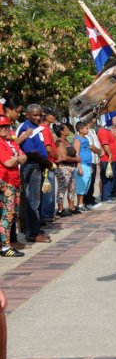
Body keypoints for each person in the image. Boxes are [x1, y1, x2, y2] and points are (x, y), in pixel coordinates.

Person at [15, 105, 52, 243]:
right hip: (31, 166)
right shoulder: (26, 129)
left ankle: (34, 228)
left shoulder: (38, 128)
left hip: (39, 166)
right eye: (35, 115)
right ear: (27, 115)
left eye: (39, 115)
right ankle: (32, 233)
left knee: (37, 199)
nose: (38, 117)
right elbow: (31, 152)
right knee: (32, 201)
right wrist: (47, 162)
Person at [0, 116, 26, 257]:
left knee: (11, 214)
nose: (3, 129)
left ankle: (4, 244)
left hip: (14, 181)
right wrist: (17, 158)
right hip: (5, 181)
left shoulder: (10, 142)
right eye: (0, 127)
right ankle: (5, 247)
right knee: (7, 215)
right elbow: (8, 163)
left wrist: (14, 158)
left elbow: (24, 157)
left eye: (5, 126)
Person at [53, 123, 78, 217]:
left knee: (72, 187)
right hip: (63, 168)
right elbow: (63, 157)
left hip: (71, 167)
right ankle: (60, 209)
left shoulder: (66, 141)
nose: (68, 130)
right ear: (62, 132)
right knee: (62, 188)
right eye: (66, 129)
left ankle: (72, 207)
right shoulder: (60, 142)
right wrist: (76, 160)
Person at [39, 107, 59, 223]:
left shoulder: (44, 128)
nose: (54, 117)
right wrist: (56, 157)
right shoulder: (44, 129)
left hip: (48, 162)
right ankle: (46, 214)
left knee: (48, 189)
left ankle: (47, 213)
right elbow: (48, 147)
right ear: (47, 116)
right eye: (53, 115)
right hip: (48, 163)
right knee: (48, 190)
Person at [97, 119, 116, 203]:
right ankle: (106, 197)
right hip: (107, 159)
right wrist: (110, 155)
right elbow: (105, 144)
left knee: (110, 178)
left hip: (111, 158)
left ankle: (107, 195)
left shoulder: (108, 131)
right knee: (107, 178)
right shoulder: (103, 131)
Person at [73, 122, 94, 213]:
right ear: (80, 130)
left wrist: (91, 166)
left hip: (88, 165)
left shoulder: (86, 139)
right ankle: (79, 204)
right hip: (82, 165)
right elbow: (76, 154)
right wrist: (79, 167)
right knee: (81, 184)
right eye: (86, 128)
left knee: (86, 185)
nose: (88, 130)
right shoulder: (77, 140)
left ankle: (82, 203)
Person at [82, 118, 102, 210]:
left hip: (94, 159)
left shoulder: (92, 131)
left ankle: (90, 198)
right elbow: (91, 146)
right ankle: (87, 201)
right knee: (89, 182)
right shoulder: (86, 133)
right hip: (89, 160)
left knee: (92, 181)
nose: (95, 120)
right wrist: (99, 151)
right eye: (94, 118)